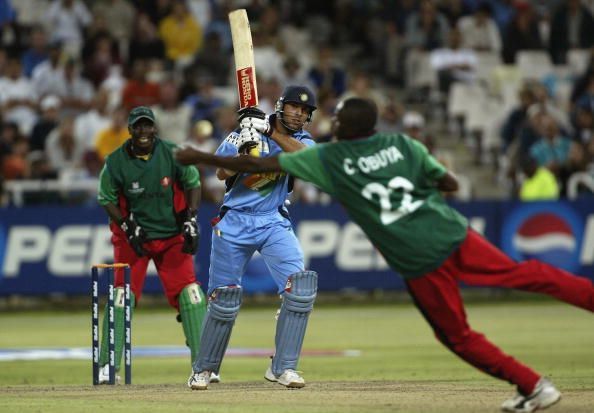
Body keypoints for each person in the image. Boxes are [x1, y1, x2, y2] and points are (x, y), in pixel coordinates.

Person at [176, 97, 594, 412]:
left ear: (342, 127)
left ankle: (534, 386)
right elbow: (448, 183)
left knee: (459, 336)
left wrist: (200, 156)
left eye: (335, 119)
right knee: (526, 274)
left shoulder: (330, 159)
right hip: (453, 232)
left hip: (419, 261)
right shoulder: (402, 144)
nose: (330, 123)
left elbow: (249, 169)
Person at [185, 85, 319, 390]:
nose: (299, 114)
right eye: (294, 108)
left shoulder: (301, 140)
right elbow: (220, 173)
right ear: (282, 106)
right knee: (224, 299)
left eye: (305, 111)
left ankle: (283, 367)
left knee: (300, 288)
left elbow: (309, 163)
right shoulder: (244, 130)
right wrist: (245, 144)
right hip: (234, 221)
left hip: (273, 221)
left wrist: (270, 134)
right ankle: (204, 369)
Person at [96, 106, 210, 384]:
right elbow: (106, 197)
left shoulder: (173, 153)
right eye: (138, 127)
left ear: (155, 129)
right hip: (133, 238)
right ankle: (107, 367)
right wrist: (126, 226)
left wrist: (191, 219)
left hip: (171, 236)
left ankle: (203, 366)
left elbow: (193, 182)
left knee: (191, 294)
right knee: (121, 295)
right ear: (131, 130)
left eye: (148, 126)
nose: (143, 132)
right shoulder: (115, 162)